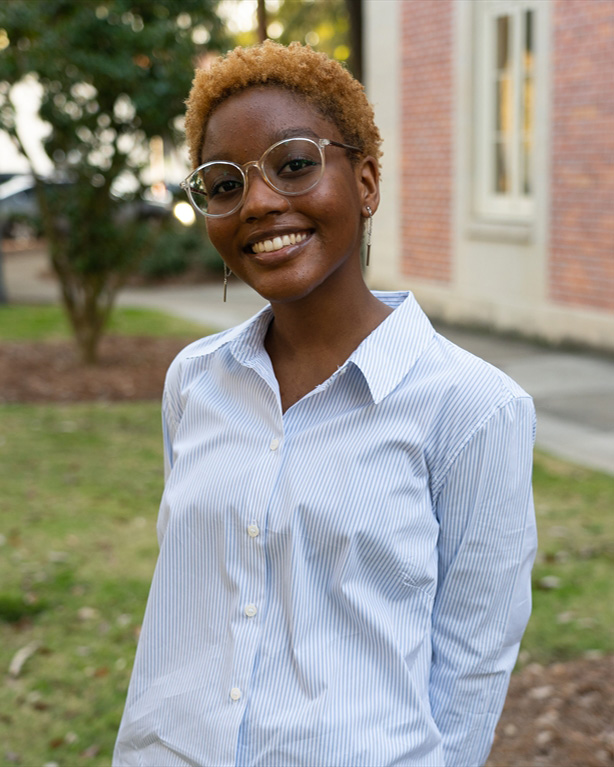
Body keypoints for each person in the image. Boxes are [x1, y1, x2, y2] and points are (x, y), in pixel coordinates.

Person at [113, 41, 537, 767]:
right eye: (223, 184)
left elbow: (472, 664)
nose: (260, 202)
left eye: (295, 164)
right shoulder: (195, 382)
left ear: (366, 180)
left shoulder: (473, 408)